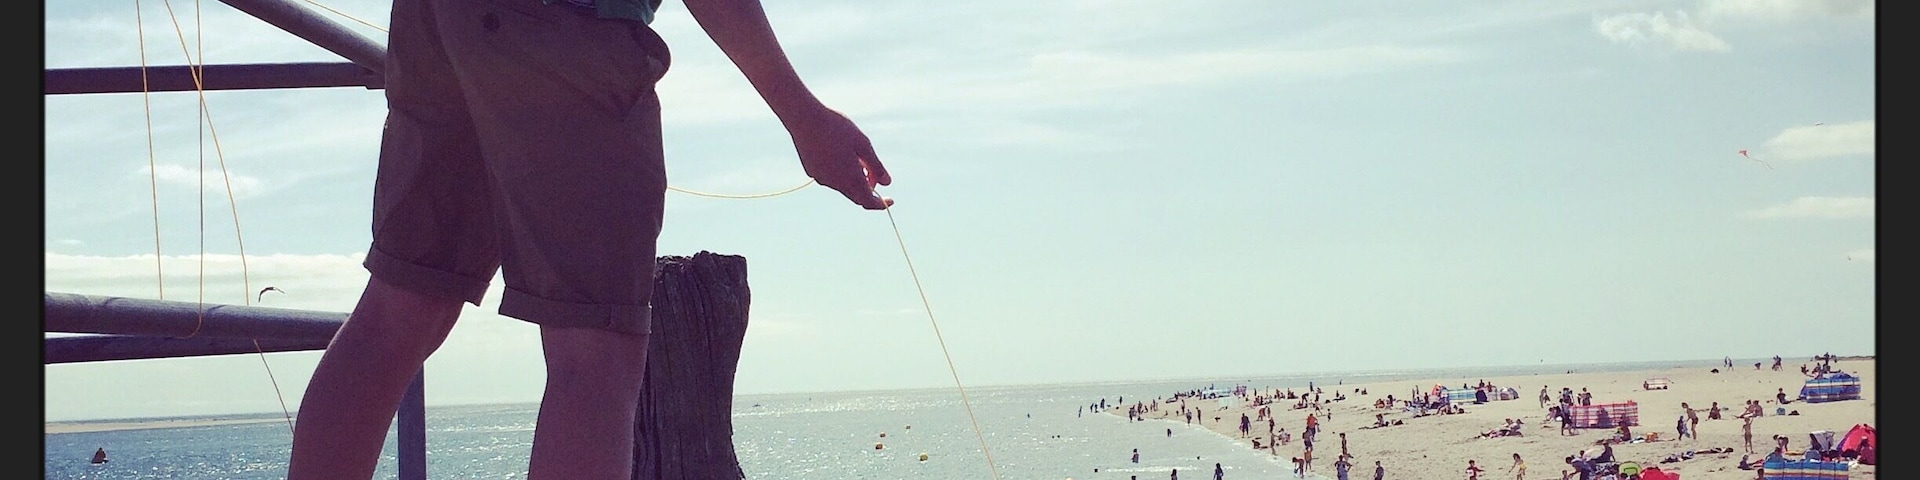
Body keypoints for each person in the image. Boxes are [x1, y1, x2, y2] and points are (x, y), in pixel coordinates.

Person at [282, 0, 893, 477]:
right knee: (596, 350)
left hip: (438, 20)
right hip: (567, 23)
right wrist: (803, 115)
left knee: (399, 308)